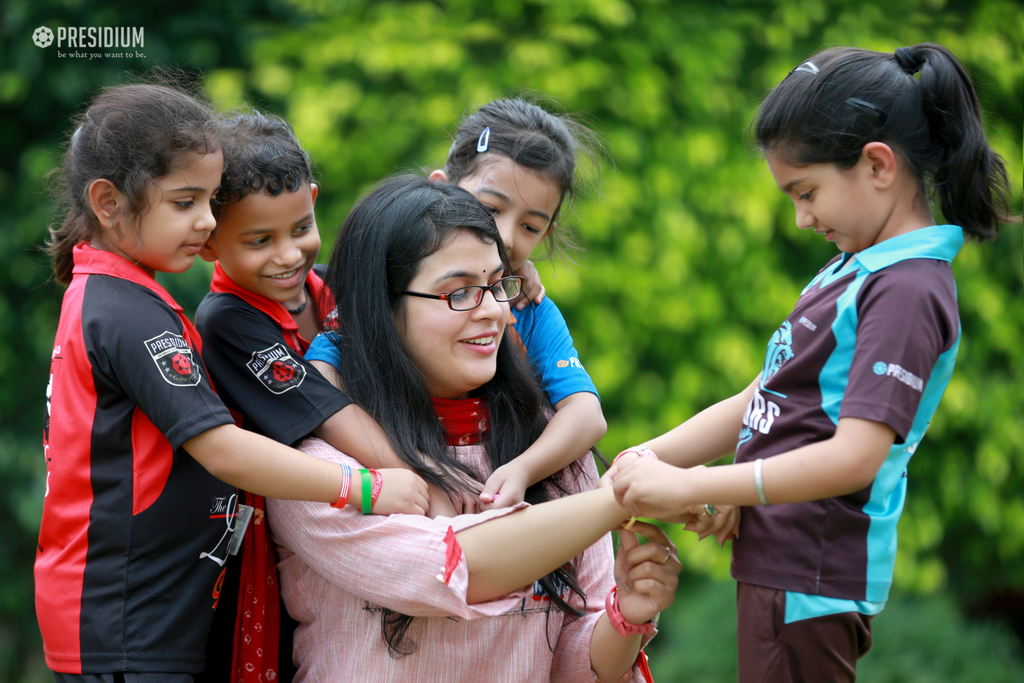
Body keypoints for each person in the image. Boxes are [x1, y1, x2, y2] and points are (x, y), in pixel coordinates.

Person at [606, 43, 1016, 682]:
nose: (800, 218)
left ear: (877, 165)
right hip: (784, 569)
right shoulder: (850, 271)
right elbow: (759, 400)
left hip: (811, 578)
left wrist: (696, 485)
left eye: (807, 192)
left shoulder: (908, 289)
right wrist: (649, 458)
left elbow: (854, 457)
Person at [37, 82, 427, 682]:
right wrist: (366, 489)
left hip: (147, 621)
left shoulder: (123, 298)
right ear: (109, 202)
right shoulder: (126, 311)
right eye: (186, 202)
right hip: (127, 626)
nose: (206, 222)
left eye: (211, 201)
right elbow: (222, 448)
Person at [268, 175, 679, 682]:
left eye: (497, 284)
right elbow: (457, 571)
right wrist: (623, 497)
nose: (492, 311)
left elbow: (575, 661)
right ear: (382, 307)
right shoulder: (318, 469)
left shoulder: (548, 444)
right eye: (459, 292)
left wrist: (630, 614)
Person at [194, 111, 427, 682]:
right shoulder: (228, 319)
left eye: (300, 228)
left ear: (315, 199)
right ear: (208, 241)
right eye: (258, 240)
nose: (287, 255)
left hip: (371, 510)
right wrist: (426, 481)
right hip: (284, 526)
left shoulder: (328, 286)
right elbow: (330, 415)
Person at [307, 97, 607, 511]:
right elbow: (321, 381)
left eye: (530, 226)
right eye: (490, 208)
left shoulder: (529, 308)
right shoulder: (387, 283)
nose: (504, 235)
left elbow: (587, 415)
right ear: (440, 187)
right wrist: (420, 470)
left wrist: (523, 469)